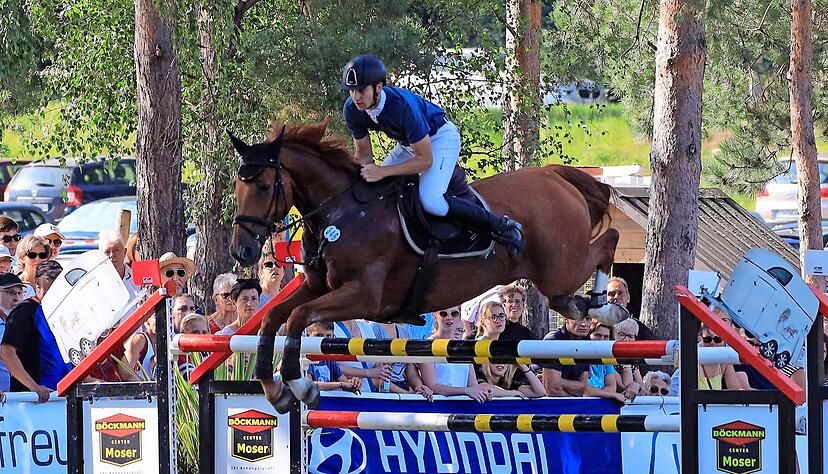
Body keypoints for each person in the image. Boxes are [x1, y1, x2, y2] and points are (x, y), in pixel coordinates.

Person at [340, 54, 524, 256]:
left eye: (361, 90)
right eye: (351, 91)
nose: (356, 97)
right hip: (409, 144)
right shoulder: (352, 109)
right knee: (377, 188)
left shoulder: (401, 107)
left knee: (431, 200)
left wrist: (383, 171)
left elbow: (425, 160)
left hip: (440, 139)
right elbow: (364, 155)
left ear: (378, 87)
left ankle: (503, 225)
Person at [0, 261, 71, 401]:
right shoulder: (25, 311)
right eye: (51, 279)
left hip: (65, 397)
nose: (57, 284)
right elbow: (7, 352)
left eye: (60, 279)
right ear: (37, 283)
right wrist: (33, 386)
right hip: (33, 400)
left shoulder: (66, 312)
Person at [418, 306, 491, 402]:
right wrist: (465, 391)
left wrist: (483, 393)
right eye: (443, 313)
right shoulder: (427, 345)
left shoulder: (463, 348)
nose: (449, 317)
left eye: (454, 314)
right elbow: (432, 386)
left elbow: (473, 384)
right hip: (438, 406)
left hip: (462, 407)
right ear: (434, 315)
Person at [305, 321, 363, 393]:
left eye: (328, 336)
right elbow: (309, 385)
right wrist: (341, 385)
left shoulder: (329, 358)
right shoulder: (303, 356)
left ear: (333, 336)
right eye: (319, 335)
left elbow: (345, 383)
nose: (324, 340)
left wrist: (354, 383)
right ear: (308, 335)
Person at [541, 317, 591, 397]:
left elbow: (583, 388)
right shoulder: (554, 340)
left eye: (588, 319)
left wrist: (559, 381)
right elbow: (552, 389)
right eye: (579, 318)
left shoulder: (586, 341)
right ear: (566, 318)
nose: (584, 324)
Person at [698, 325, 748, 390]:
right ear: (700, 339)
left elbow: (735, 388)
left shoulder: (724, 361)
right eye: (707, 339)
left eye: (717, 339)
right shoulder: (693, 358)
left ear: (723, 341)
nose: (712, 342)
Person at [585, 321, 625, 402]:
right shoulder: (580, 357)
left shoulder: (607, 360)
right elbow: (585, 391)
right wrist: (613, 395)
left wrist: (597, 393)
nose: (602, 340)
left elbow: (611, 387)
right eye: (598, 335)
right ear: (589, 335)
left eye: (606, 337)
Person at [0, 273, 26, 391]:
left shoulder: (29, 324)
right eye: (10, 293)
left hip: (25, 398)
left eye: (19, 293)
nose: (16, 298)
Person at [98, 230, 140, 299]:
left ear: (125, 252)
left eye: (116, 250)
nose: (112, 255)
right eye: (107, 252)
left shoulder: (137, 278)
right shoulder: (97, 283)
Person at [613, 318, 643, 398]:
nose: (626, 340)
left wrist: (637, 385)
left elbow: (641, 387)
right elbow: (626, 387)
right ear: (613, 335)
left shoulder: (633, 358)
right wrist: (626, 365)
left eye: (630, 336)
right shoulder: (609, 359)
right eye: (621, 334)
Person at [477, 363, 545, 399]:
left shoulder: (507, 383)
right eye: (495, 360)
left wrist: (523, 367)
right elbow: (487, 389)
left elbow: (539, 392)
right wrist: (511, 393)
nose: (501, 363)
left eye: (504, 360)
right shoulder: (478, 375)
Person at [125, 314, 157, 379]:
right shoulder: (140, 339)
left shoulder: (161, 344)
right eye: (155, 316)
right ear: (146, 323)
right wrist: (148, 384)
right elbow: (125, 374)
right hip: (139, 388)